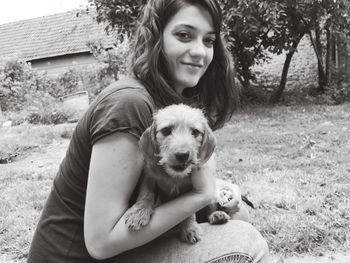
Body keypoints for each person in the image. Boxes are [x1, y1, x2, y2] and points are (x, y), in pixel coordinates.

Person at [27, 0, 269, 262]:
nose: (200, 51)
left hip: (121, 248)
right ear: (156, 38)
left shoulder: (166, 103)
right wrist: (201, 195)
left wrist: (215, 189)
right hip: (79, 257)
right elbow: (100, 243)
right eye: (184, 35)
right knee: (245, 243)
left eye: (208, 41)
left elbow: (164, 176)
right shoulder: (128, 104)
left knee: (239, 215)